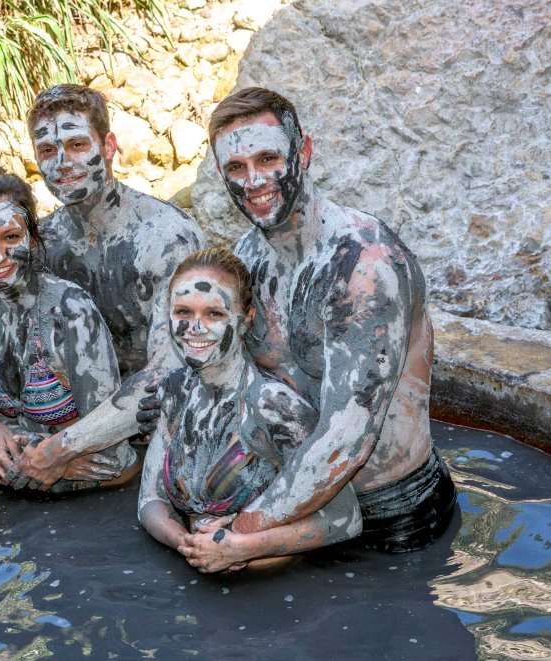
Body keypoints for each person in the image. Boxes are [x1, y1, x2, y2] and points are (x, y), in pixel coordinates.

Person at [181, 87, 456, 570]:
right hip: (295, 517)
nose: (254, 181)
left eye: (268, 158)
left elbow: (347, 437)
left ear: (303, 152)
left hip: (395, 517)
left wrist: (240, 532)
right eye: (236, 168)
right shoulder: (246, 261)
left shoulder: (364, 265)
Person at [0, 84, 205, 490]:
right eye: (48, 152)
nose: (62, 163)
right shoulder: (47, 239)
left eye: (75, 145)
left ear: (108, 145)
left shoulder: (164, 239)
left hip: (163, 421)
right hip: (83, 418)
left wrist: (63, 448)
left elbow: (170, 371)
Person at [138, 247, 361, 569]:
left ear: (245, 321)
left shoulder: (273, 406)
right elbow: (150, 500)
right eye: (183, 312)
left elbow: (346, 517)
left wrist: (243, 548)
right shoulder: (176, 390)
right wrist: (187, 544)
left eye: (214, 314)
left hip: (275, 591)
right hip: (198, 577)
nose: (195, 328)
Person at [0, 147, 136, 491]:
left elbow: (115, 458)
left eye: (10, 237)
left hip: (95, 502)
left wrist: (50, 459)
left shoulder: (70, 311)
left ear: (32, 237)